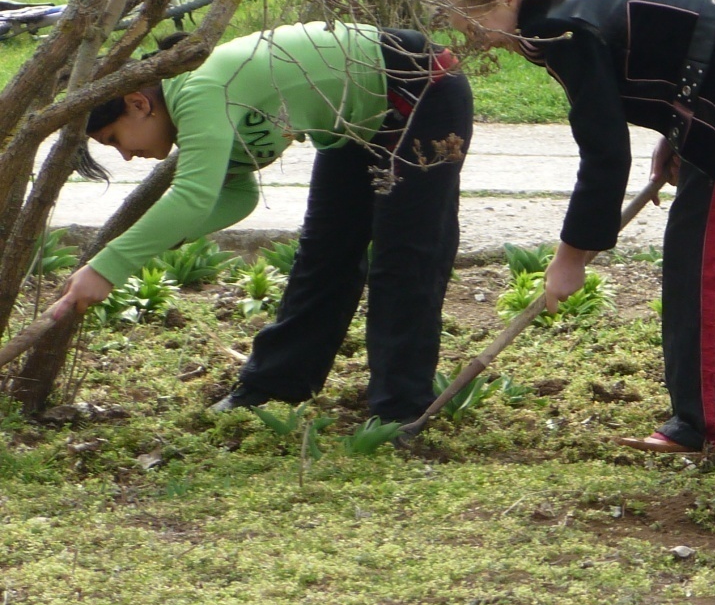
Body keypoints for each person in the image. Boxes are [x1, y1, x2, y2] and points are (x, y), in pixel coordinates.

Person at [440, 0, 715, 456]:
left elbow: (604, 154)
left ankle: (702, 424)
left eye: (472, 25)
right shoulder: (561, 4)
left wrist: (570, 259)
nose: (472, 40)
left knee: (706, 261)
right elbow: (673, 45)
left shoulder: (556, 29)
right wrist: (679, 131)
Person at [57, 22, 473, 422]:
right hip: (353, 124)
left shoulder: (198, 91)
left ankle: (401, 409)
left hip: (421, 90)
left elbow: (192, 196)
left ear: (137, 102)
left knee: (405, 257)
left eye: (114, 139)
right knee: (323, 252)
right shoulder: (191, 106)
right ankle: (274, 384)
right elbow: (237, 195)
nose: (126, 155)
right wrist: (166, 235)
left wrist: (106, 269)